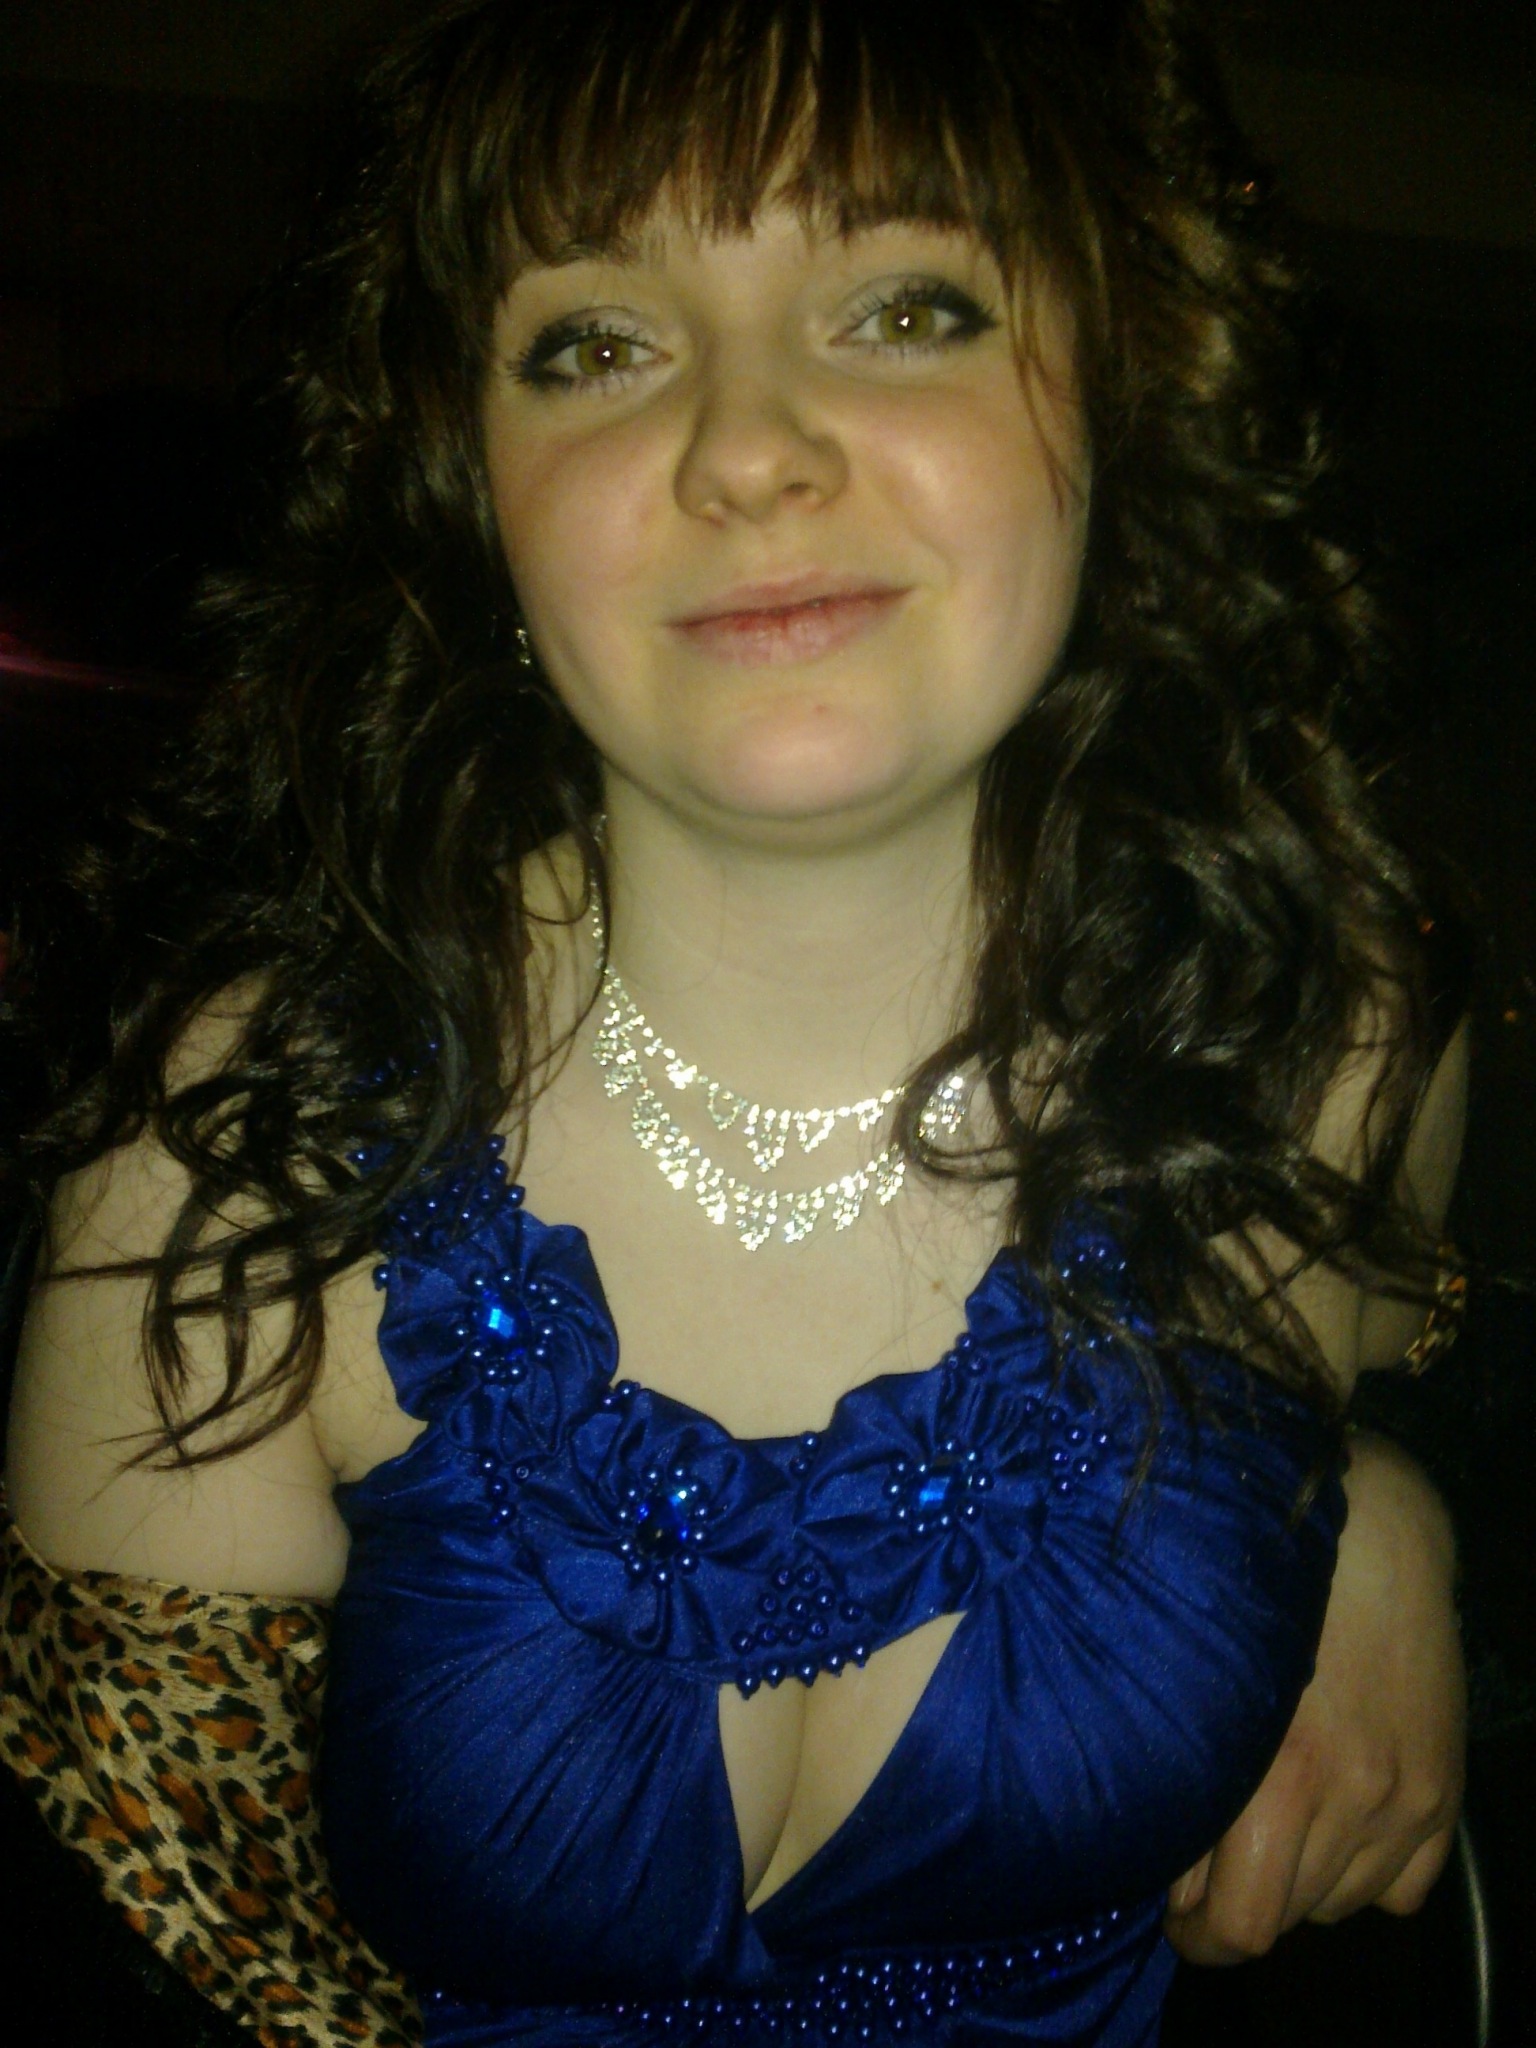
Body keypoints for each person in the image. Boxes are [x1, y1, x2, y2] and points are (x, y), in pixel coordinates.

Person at [1, 1, 1469, 2043]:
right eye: (598, 343)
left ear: (1122, 390)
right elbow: (159, 1927)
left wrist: (1373, 1497)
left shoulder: (1333, 1035)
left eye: (907, 309)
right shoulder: (231, 1140)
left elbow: (1383, 1359)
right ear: (472, 479)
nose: (748, 446)